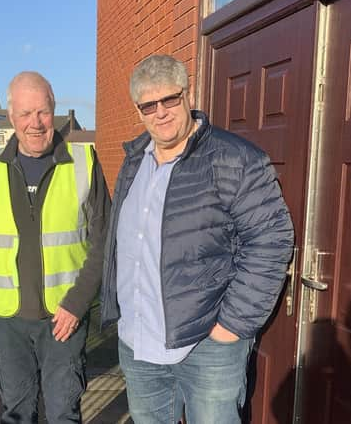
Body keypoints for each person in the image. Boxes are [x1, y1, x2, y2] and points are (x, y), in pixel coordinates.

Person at [100, 54, 294, 424]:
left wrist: (232, 326)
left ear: (187, 94)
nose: (161, 112)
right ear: (138, 110)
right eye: (149, 105)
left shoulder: (235, 159)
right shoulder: (133, 161)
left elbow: (271, 240)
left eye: (170, 99)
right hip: (139, 342)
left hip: (206, 344)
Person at [0, 71, 111, 424]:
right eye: (25, 114)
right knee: (16, 414)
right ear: (11, 117)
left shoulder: (84, 164)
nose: (35, 123)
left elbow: (104, 241)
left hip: (63, 319)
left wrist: (77, 303)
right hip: (6, 322)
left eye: (42, 112)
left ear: (53, 110)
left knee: (63, 414)